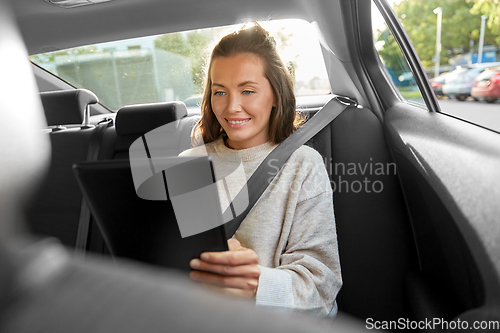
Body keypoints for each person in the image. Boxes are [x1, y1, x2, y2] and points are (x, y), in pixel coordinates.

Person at [180, 23, 342, 317]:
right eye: (220, 92)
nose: (232, 107)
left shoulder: (302, 165)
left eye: (248, 90)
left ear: (276, 95)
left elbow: (322, 286)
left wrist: (255, 285)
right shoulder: (187, 163)